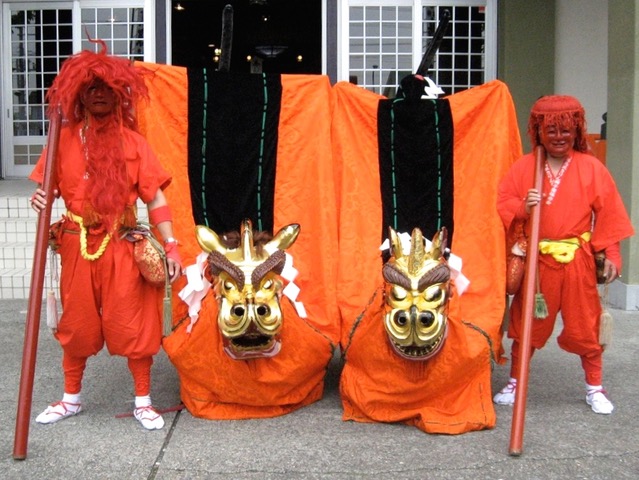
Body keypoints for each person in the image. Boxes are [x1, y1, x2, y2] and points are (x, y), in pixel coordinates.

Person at [29, 40, 182, 430]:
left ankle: (144, 401)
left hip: (123, 243)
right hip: (76, 244)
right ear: (79, 95)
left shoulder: (134, 143)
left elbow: (156, 196)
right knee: (76, 323)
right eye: (90, 88)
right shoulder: (62, 140)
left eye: (106, 89)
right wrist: (41, 197)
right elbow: (48, 190)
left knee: (135, 323)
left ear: (118, 96)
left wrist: (171, 244)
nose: (98, 94)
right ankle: (71, 399)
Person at [494, 95, 634, 414]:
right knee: (526, 323)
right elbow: (502, 205)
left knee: (587, 324)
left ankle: (594, 386)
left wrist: (611, 251)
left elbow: (609, 212)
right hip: (537, 263)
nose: (559, 137)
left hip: (578, 259)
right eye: (552, 131)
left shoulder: (591, 167)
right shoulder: (524, 167)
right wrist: (522, 206)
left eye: (566, 131)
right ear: (539, 131)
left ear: (577, 131)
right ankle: (516, 381)